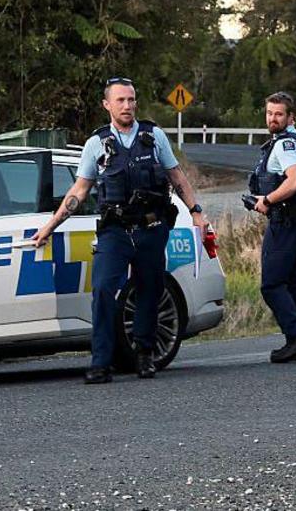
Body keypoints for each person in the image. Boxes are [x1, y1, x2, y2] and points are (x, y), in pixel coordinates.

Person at [32, 78, 208, 384]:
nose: (127, 106)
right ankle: (101, 362)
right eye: (120, 101)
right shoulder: (96, 144)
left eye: (131, 100)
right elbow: (80, 190)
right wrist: (50, 226)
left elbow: (176, 176)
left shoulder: (154, 137)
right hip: (115, 231)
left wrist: (196, 213)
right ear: (107, 105)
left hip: (151, 228)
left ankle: (144, 354)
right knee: (102, 290)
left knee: (149, 290)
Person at [247, 91, 296, 363]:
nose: (272, 118)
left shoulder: (286, 144)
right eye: (269, 113)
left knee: (272, 284)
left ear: (290, 117)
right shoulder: (292, 141)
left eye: (278, 114)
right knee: (291, 282)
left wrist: (268, 199)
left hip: (287, 220)